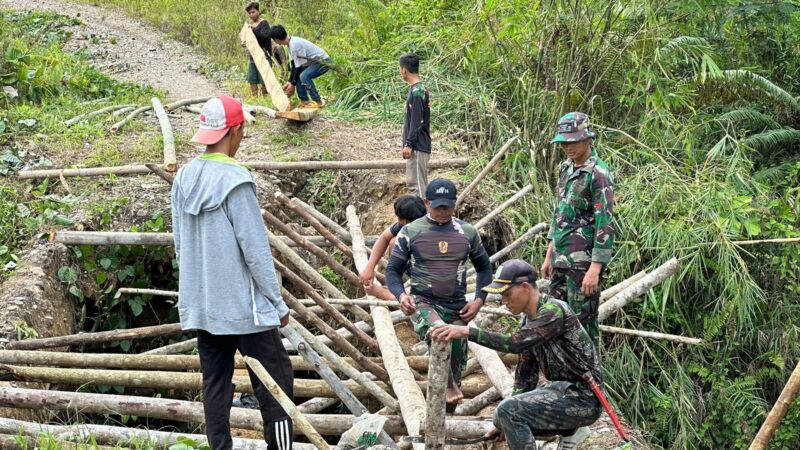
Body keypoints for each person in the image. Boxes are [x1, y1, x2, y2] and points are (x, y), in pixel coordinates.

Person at [171, 96, 294, 450]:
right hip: (244, 309)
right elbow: (255, 252)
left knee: (216, 384)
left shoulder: (183, 177)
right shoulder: (236, 180)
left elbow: (180, 244)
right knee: (277, 384)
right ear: (235, 131)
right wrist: (276, 301)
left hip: (205, 306)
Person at [431, 259, 602, 449]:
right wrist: (504, 425)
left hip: (584, 398)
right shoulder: (528, 320)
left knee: (508, 412)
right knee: (504, 414)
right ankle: (572, 431)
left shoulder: (553, 311)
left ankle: (574, 429)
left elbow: (515, 343)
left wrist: (467, 331)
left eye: (507, 294)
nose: (504, 302)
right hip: (563, 391)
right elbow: (525, 376)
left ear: (526, 287)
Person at [385, 178, 493, 403]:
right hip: (423, 301)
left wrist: (480, 300)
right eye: (437, 206)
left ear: (455, 204)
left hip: (457, 306)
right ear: (426, 203)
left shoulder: (467, 232)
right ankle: (449, 389)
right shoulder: (411, 232)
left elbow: (484, 268)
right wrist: (401, 295)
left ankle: (447, 420)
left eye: (447, 206)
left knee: (455, 363)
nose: (443, 211)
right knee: (438, 332)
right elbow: (392, 271)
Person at [540, 112, 614, 349]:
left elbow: (605, 223)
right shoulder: (565, 169)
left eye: (573, 141)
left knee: (583, 325)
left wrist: (595, 268)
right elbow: (558, 213)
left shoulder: (598, 175)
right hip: (561, 259)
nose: (568, 147)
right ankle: (561, 376)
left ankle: (589, 381)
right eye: (564, 142)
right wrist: (549, 254)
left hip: (583, 264)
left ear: (587, 139)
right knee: (556, 317)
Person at [358, 194, 426, 300]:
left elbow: (420, 295)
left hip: (431, 281)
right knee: (394, 241)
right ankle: (397, 279)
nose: (398, 221)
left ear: (406, 221)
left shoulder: (430, 242)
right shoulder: (408, 225)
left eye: (399, 218)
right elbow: (384, 237)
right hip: (416, 271)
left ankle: (397, 285)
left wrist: (380, 293)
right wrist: (370, 268)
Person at [268, 25, 331, 108]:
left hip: (323, 62)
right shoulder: (290, 43)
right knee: (297, 76)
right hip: (314, 62)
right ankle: (304, 101)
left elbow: (299, 67)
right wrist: (290, 82)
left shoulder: (295, 45)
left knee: (303, 76)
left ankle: (318, 101)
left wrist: (292, 85)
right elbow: (294, 65)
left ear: (276, 39)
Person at [399, 52, 431, 195]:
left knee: (417, 187)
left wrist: (409, 144)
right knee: (418, 184)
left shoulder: (417, 91)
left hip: (417, 146)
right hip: (417, 146)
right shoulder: (419, 89)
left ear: (404, 70)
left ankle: (423, 216)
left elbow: (417, 120)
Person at [243, 2, 286, 97]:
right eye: (249, 13)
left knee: (264, 80)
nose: (251, 15)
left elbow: (265, 36)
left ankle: (264, 99)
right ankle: (254, 99)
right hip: (253, 56)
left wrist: (254, 30)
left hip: (264, 56)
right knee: (252, 79)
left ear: (258, 11)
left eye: (253, 12)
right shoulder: (251, 25)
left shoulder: (264, 23)